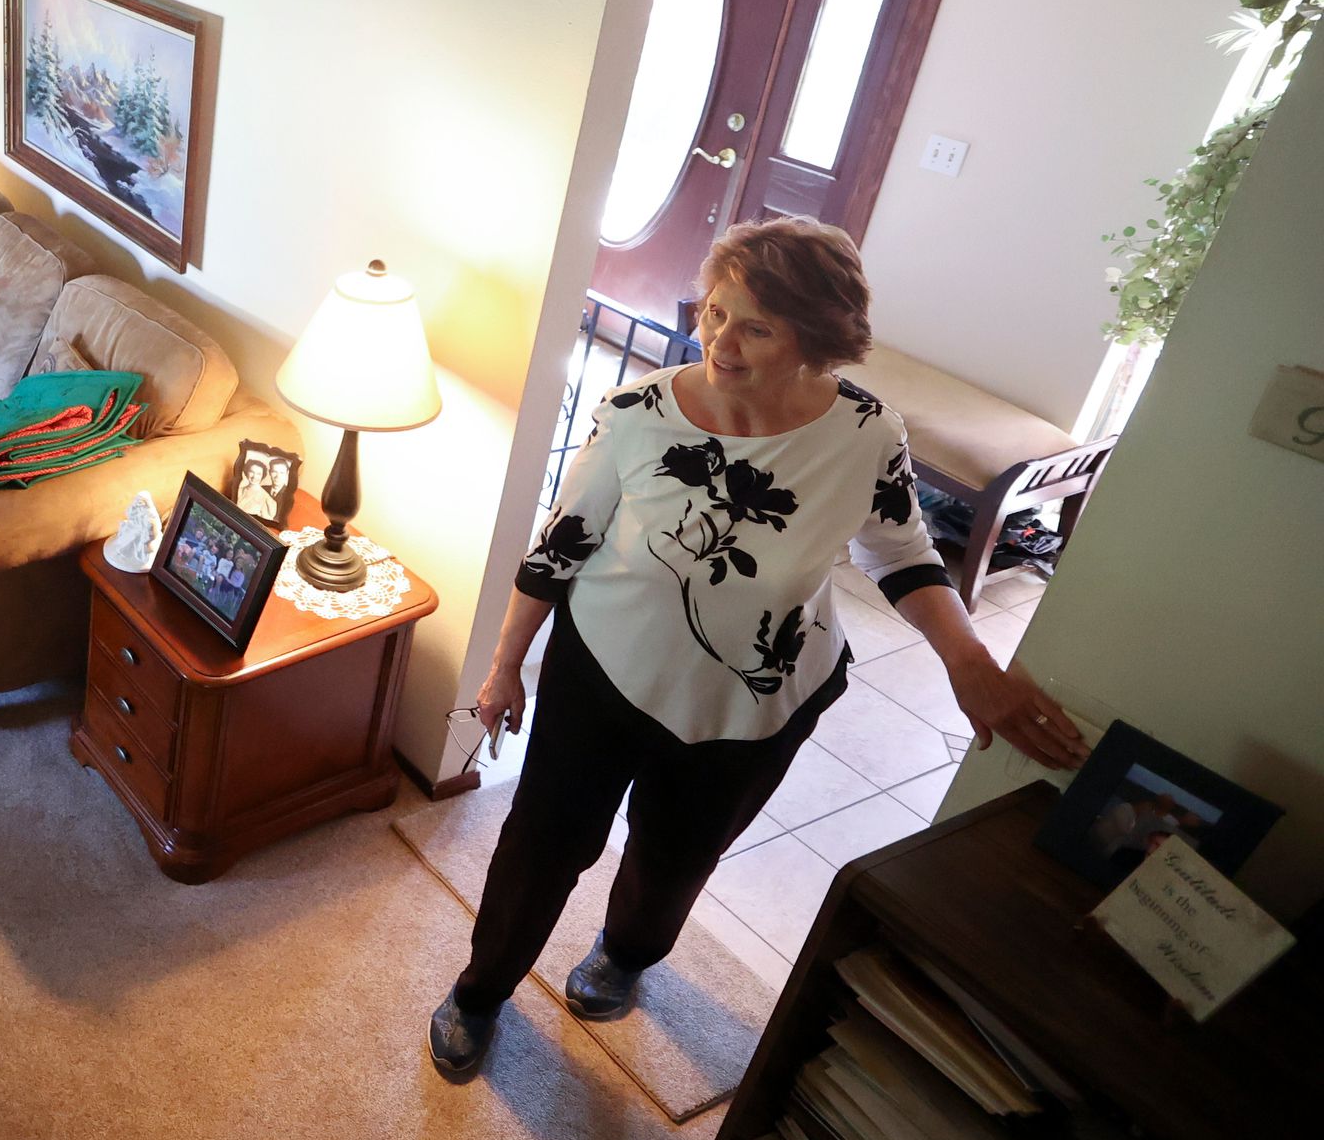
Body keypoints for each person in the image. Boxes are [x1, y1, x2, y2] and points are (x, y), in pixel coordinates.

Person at [430, 218, 1091, 1079]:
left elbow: (899, 551)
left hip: (763, 693)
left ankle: (626, 955)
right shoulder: (637, 413)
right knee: (543, 846)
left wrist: (968, 659)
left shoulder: (865, 433)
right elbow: (563, 543)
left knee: (676, 856)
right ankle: (482, 991)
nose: (720, 342)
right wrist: (504, 663)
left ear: (816, 342)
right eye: (714, 313)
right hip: (606, 673)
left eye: (756, 326)